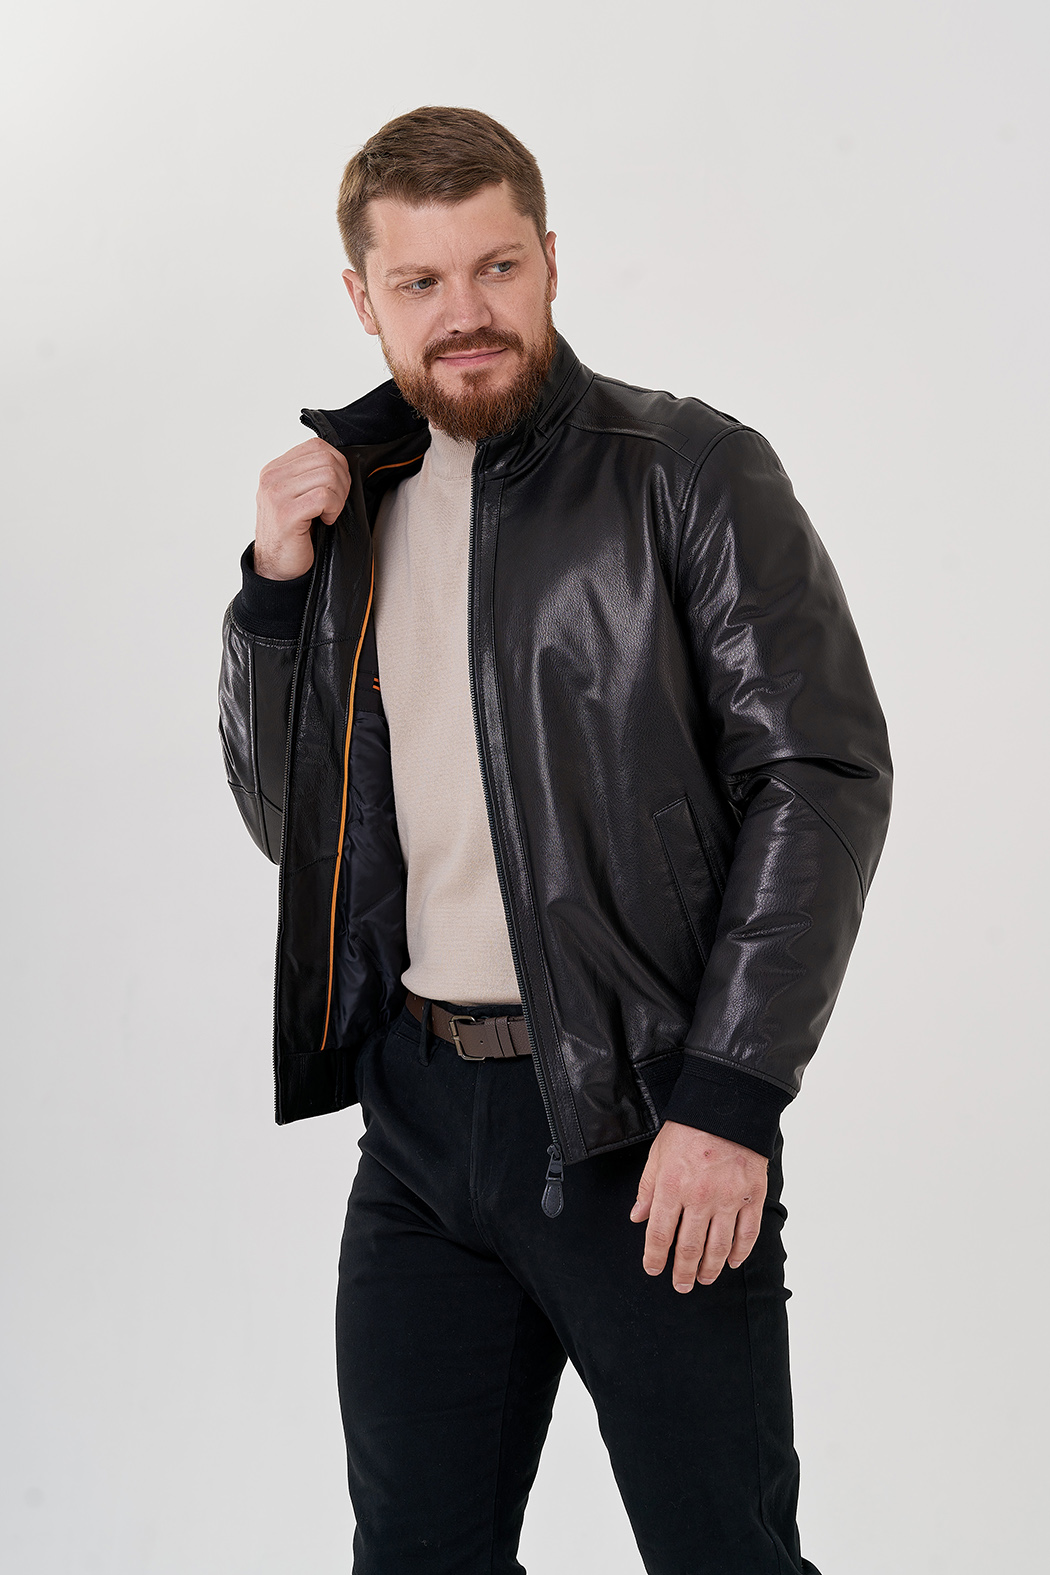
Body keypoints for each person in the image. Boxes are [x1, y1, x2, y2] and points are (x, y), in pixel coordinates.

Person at [218, 105, 891, 1575]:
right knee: (415, 1556)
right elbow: (293, 826)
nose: (465, 313)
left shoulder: (686, 469)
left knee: (722, 1555)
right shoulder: (349, 509)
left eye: (497, 267)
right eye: (420, 281)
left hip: (642, 1117)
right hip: (417, 1125)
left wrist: (729, 1097)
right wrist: (273, 593)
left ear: (549, 262)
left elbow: (821, 775)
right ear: (364, 298)